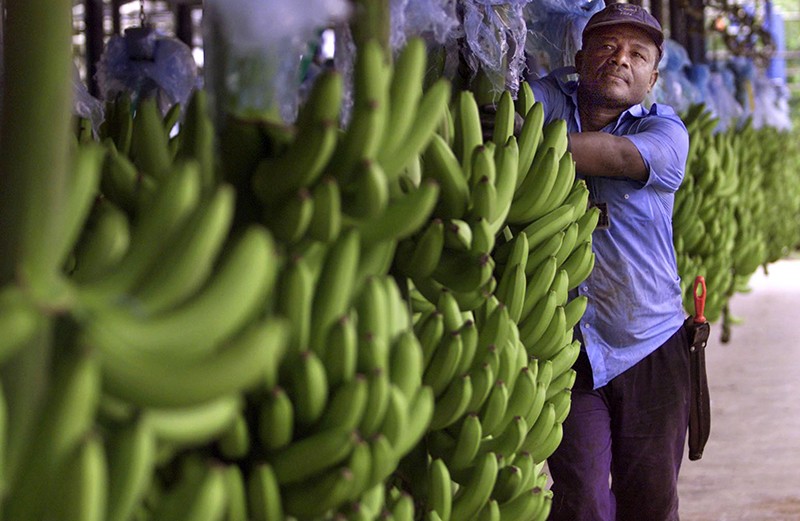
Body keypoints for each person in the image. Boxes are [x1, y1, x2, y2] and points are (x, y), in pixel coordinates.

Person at [527, 3, 692, 521]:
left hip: (649, 341)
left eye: (637, 54)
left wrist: (522, 137)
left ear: (652, 76)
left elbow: (618, 158)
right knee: (583, 503)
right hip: (565, 346)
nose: (621, 59)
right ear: (581, 56)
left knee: (650, 502)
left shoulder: (665, 132)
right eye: (607, 46)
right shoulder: (546, 99)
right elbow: (489, 112)